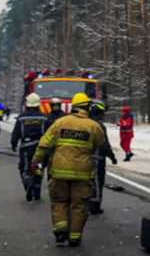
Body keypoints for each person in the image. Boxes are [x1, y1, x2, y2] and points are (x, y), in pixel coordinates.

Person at [30, 92, 107, 247]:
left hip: (59, 171)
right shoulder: (94, 126)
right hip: (82, 174)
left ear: (73, 106)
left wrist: (35, 161)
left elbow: (44, 144)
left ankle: (60, 232)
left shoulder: (60, 123)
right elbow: (101, 145)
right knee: (79, 205)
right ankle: (75, 237)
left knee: (59, 201)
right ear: (87, 107)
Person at [12, 93, 48, 201]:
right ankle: (37, 191)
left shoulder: (21, 117)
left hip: (26, 148)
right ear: (38, 104)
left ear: (27, 104)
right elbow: (49, 134)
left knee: (24, 167)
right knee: (38, 168)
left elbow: (16, 133)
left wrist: (13, 144)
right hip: (41, 148)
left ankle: (27, 183)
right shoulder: (44, 118)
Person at [87, 100, 117, 215]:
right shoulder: (99, 126)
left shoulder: (86, 123)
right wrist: (112, 157)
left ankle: (85, 203)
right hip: (97, 159)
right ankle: (95, 205)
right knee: (98, 182)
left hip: (84, 158)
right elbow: (104, 144)